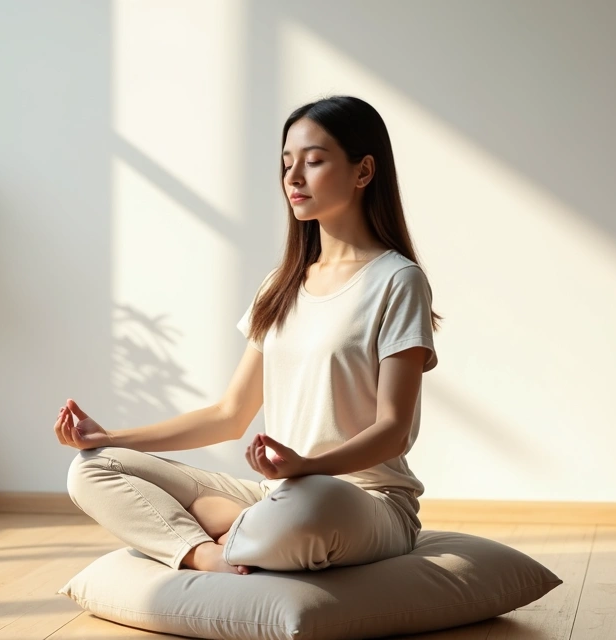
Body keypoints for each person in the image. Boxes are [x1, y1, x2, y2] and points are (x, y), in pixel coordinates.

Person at [54, 96, 442, 575]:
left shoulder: (397, 281)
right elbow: (229, 414)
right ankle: (205, 552)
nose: (293, 178)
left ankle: (228, 523)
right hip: (279, 492)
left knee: (311, 504)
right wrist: (109, 435)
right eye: (286, 163)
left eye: (314, 161)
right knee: (92, 467)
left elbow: (392, 431)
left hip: (361, 500)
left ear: (363, 172)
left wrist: (307, 468)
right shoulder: (280, 284)